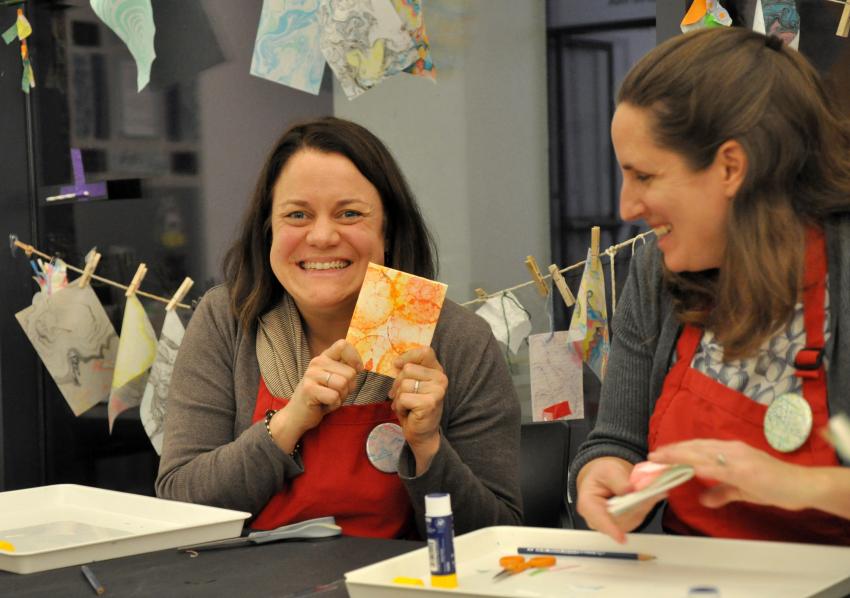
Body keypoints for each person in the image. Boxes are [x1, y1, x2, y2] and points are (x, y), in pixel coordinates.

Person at [156, 117, 522, 538]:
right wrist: (291, 420)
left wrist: (427, 446)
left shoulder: (459, 340)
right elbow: (179, 504)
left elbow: (499, 535)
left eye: (350, 213)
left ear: (389, 229)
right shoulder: (228, 319)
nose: (323, 236)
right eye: (297, 214)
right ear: (268, 230)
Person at [570, 27, 850, 546]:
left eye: (645, 176)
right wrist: (602, 474)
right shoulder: (657, 269)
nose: (626, 208)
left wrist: (798, 484)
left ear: (730, 167)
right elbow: (616, 440)